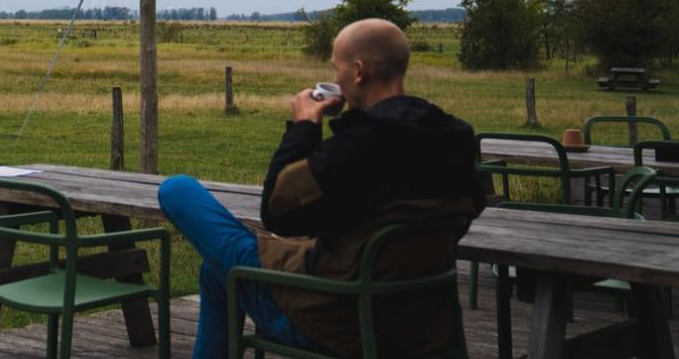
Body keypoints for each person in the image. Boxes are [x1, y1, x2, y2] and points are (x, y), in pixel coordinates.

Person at [158, 18, 485, 358]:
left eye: (336, 68)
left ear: (358, 72)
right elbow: (465, 206)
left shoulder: (358, 147)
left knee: (177, 190)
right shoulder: (456, 137)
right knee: (217, 272)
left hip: (338, 324)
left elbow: (277, 212)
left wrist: (305, 125)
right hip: (421, 325)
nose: (336, 78)